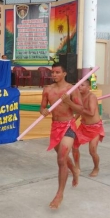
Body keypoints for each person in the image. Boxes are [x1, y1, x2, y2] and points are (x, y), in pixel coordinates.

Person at [40, 63, 82, 209]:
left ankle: (59, 194)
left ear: (64, 74)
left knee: (61, 159)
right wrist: (43, 111)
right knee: (63, 158)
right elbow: (42, 106)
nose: (54, 75)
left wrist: (69, 101)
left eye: (57, 72)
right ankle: (75, 171)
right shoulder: (47, 89)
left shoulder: (72, 89)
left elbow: (81, 109)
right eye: (53, 72)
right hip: (55, 127)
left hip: (68, 126)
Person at [70, 79, 105, 177]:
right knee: (74, 146)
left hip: (95, 127)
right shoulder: (79, 97)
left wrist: (75, 106)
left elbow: (91, 113)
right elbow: (79, 111)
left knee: (92, 151)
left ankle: (96, 167)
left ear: (89, 87)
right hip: (83, 126)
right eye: (78, 85)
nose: (79, 87)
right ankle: (77, 167)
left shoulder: (91, 97)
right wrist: (73, 119)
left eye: (82, 85)